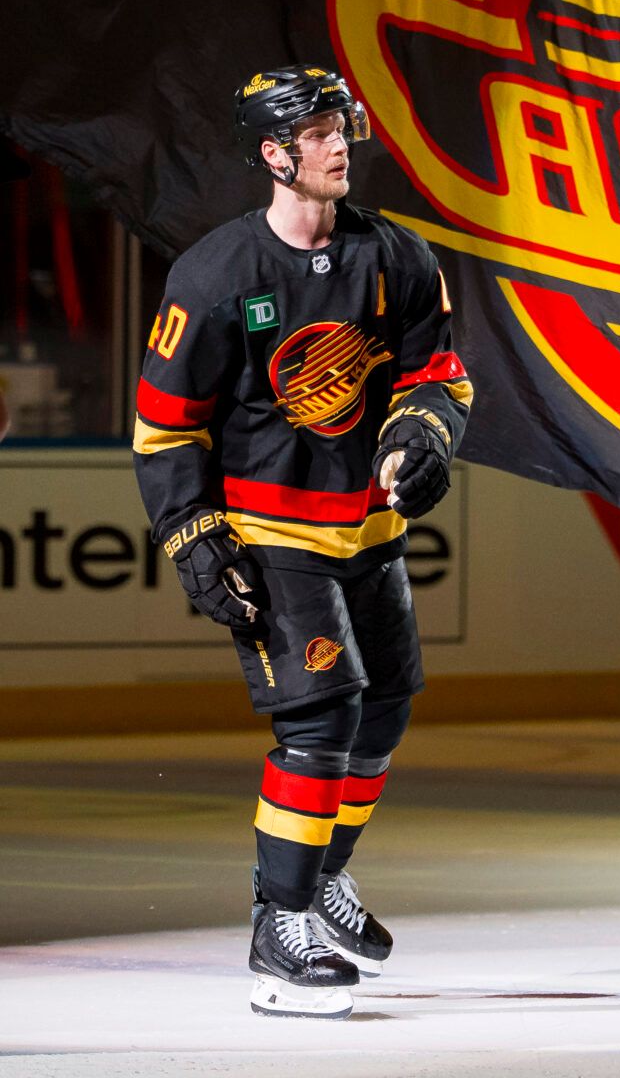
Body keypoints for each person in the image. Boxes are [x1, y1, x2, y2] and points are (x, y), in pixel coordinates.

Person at [132, 65, 472, 1019]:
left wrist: (422, 434)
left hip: (368, 532)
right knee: (321, 717)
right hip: (272, 533)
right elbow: (163, 428)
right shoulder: (211, 277)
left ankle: (322, 880)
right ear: (274, 154)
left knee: (388, 705)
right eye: (320, 133)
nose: (340, 145)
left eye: (342, 127)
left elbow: (438, 375)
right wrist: (192, 533)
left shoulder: (396, 257)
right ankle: (277, 931)